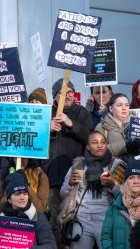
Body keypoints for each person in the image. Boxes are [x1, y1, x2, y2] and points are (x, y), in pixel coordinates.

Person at [46, 78, 93, 247]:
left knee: (74, 216)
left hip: (75, 176)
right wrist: (47, 129)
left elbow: (90, 137)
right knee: (55, 218)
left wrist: (70, 123)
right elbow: (33, 141)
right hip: (50, 175)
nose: (67, 96)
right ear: (55, 96)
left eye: (70, 92)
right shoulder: (46, 113)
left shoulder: (82, 113)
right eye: (62, 92)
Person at [60, 131, 120, 249]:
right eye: (95, 142)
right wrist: (70, 183)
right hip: (81, 219)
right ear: (87, 146)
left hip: (106, 219)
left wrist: (113, 185)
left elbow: (126, 195)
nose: (100, 145)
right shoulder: (78, 165)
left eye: (103, 142)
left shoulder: (115, 165)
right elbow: (63, 194)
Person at [0, 170, 56, 248]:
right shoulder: (1, 218)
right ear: (9, 199)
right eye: (17, 194)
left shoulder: (38, 217)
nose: (22, 197)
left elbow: (51, 246)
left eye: (25, 193)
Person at [101, 159, 140, 249]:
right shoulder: (115, 206)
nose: (135, 181)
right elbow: (106, 237)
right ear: (126, 181)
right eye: (131, 177)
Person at [95, 93, 140, 160]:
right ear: (111, 108)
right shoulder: (102, 126)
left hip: (137, 169)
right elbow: (97, 151)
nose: (124, 108)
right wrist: (125, 145)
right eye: (119, 105)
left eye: (127, 105)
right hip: (114, 169)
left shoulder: (139, 124)